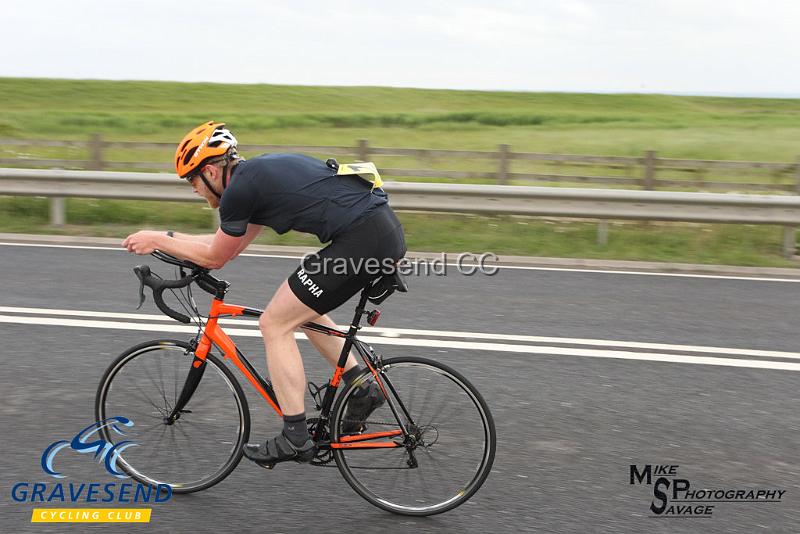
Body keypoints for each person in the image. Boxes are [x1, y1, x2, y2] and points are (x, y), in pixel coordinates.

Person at [122, 121, 406, 465]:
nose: (194, 189)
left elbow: (216, 257)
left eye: (192, 180)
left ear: (210, 171)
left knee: (275, 323)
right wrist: (168, 240)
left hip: (362, 239)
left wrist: (158, 239)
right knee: (300, 307)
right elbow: (223, 246)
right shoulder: (253, 181)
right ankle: (360, 387)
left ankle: (295, 436)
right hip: (377, 232)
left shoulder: (243, 189)